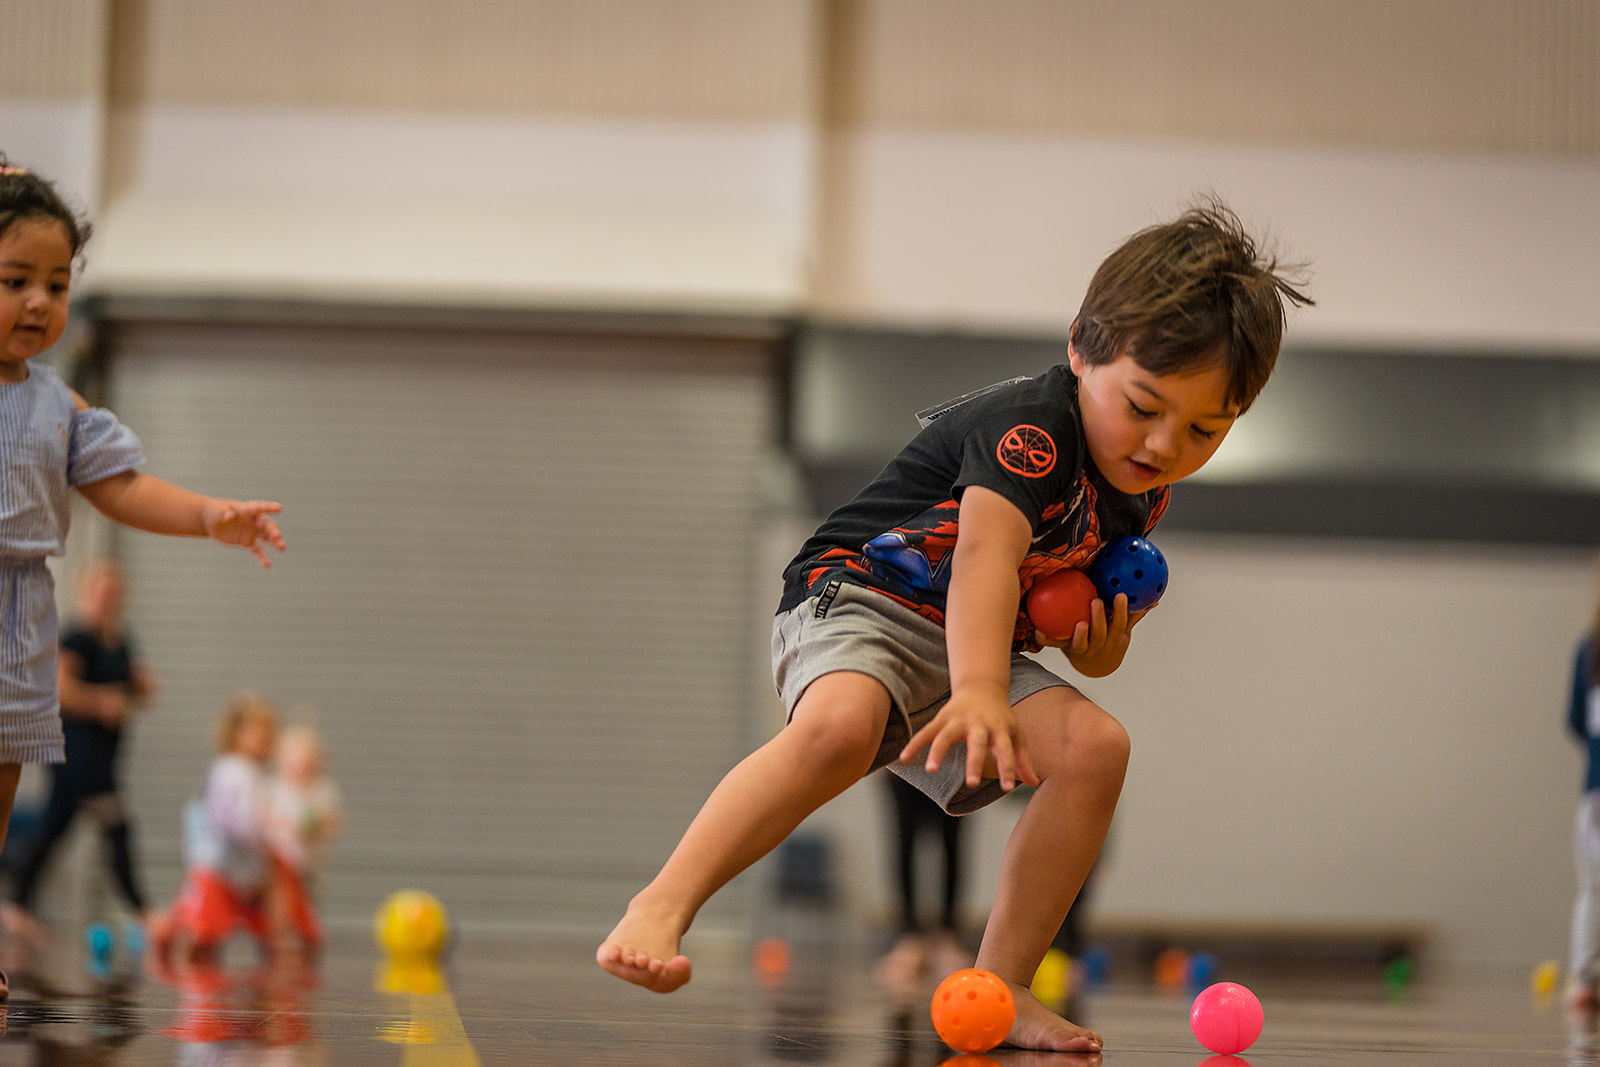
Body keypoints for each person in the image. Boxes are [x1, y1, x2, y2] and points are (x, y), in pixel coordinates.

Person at [597, 199, 1312, 1052]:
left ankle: (1003, 984)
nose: (1164, 444)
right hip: (858, 596)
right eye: (1145, 405)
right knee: (840, 726)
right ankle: (662, 902)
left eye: (1204, 429)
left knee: (1097, 749)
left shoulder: (1139, 486)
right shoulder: (1032, 434)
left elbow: (1048, 601)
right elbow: (983, 558)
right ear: (1082, 348)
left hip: (968, 642)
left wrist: (1101, 648)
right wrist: (977, 689)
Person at [0, 155, 285, 995]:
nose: (40, 302)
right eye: (15, 279)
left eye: (56, 284)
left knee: (4, 769)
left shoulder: (57, 406)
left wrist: (207, 514)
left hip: (20, 608)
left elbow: (121, 486)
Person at [2, 560, 156, 942]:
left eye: (113, 593)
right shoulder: (78, 639)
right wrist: (101, 701)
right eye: (100, 592)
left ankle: (17, 903)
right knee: (117, 824)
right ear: (87, 594)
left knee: (54, 825)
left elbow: (130, 691)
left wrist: (139, 690)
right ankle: (142, 911)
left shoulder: (120, 641)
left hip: (103, 753)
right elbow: (59, 688)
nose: (107, 600)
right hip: (76, 752)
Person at [150, 692, 280, 966]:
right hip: (221, 864)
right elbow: (233, 819)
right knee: (203, 927)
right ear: (236, 733)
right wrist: (265, 827)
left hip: (230, 864)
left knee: (199, 916)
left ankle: (169, 939)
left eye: (270, 729)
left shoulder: (246, 771)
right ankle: (175, 947)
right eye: (259, 729)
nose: (267, 735)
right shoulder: (233, 771)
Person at [264, 722, 343, 958]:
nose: (302, 766)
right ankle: (278, 939)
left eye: (308, 761)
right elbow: (265, 819)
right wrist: (288, 825)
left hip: (310, 864)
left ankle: (305, 936)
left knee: (308, 902)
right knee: (281, 906)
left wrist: (317, 827)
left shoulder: (324, 790)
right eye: (296, 760)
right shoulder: (274, 788)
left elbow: (333, 822)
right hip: (281, 863)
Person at [1568, 586, 1600, 1011]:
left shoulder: (1589, 649)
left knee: (1592, 889)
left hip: (1596, 788)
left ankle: (1583, 978)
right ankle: (1583, 977)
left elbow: (1574, 719)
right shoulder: (1589, 649)